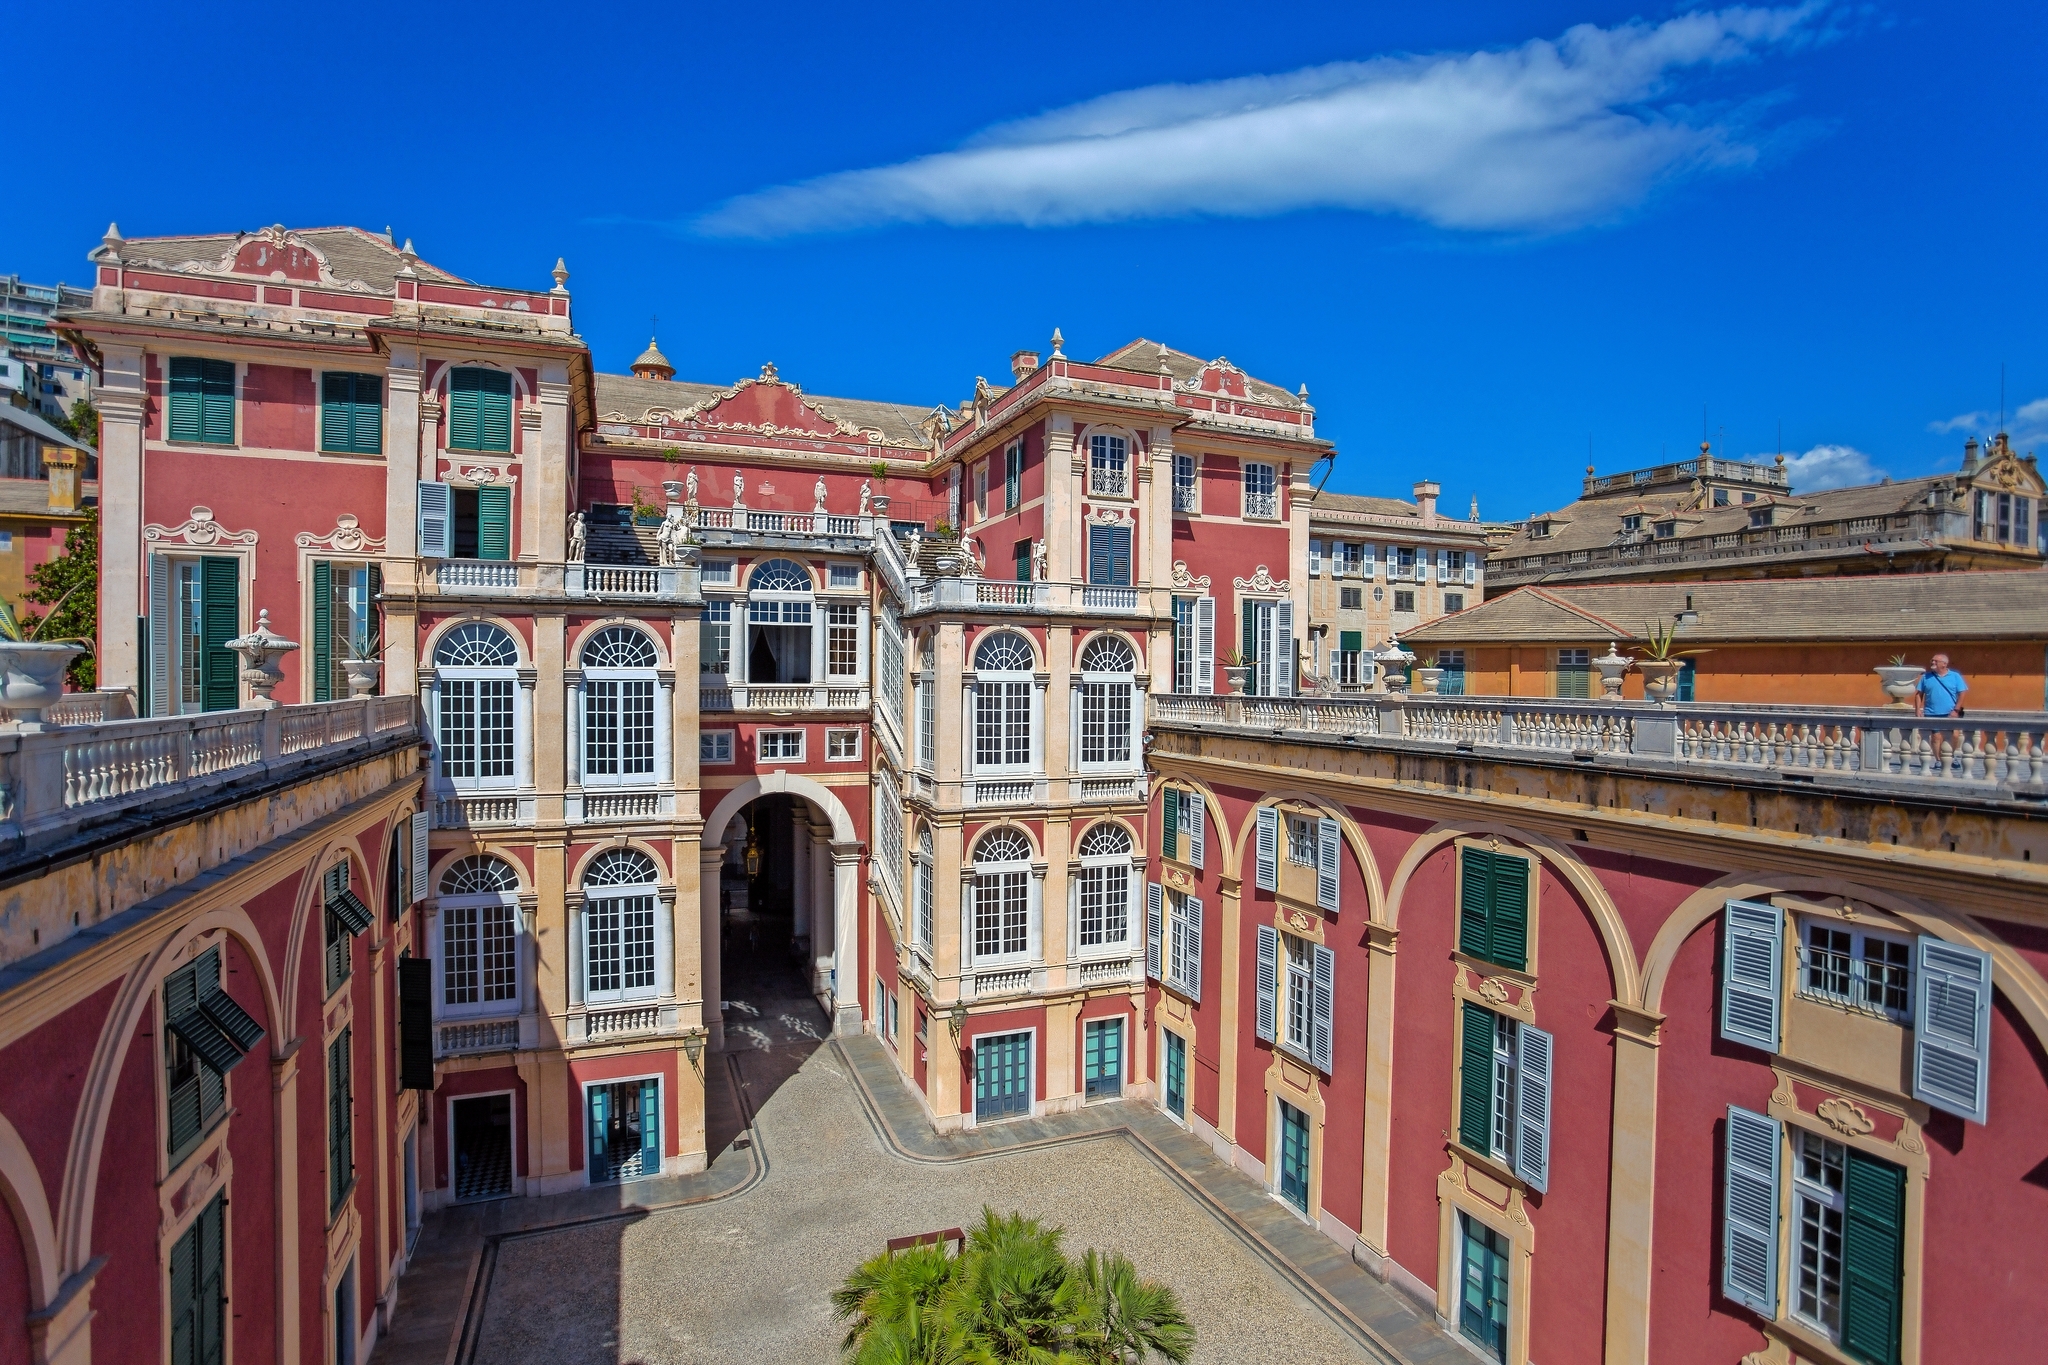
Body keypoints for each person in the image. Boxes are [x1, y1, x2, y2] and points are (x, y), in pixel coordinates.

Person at [1916, 653, 1969, 718]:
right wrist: (1917, 709)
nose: (1933, 662)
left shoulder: (1955, 676)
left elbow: (1962, 693)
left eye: (1936, 661)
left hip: (1949, 714)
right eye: (1932, 660)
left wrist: (1956, 710)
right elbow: (1919, 694)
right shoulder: (1925, 677)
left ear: (1944, 664)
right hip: (1929, 714)